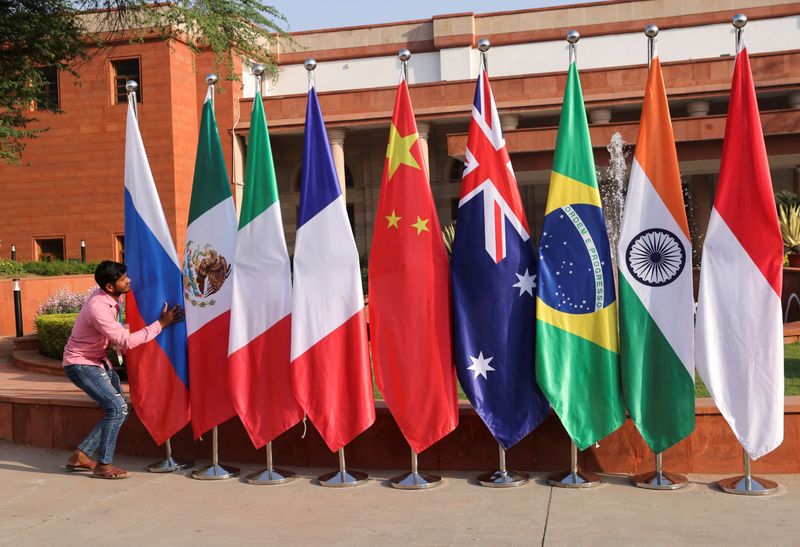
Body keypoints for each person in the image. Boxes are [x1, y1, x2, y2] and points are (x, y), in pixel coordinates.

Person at [62, 260, 184, 479]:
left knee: (119, 410)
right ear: (110, 286)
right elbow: (124, 341)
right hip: (81, 364)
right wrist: (161, 324)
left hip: (97, 361)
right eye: (123, 279)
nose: (129, 280)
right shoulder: (98, 308)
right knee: (117, 409)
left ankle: (80, 455)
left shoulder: (109, 299)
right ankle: (103, 466)